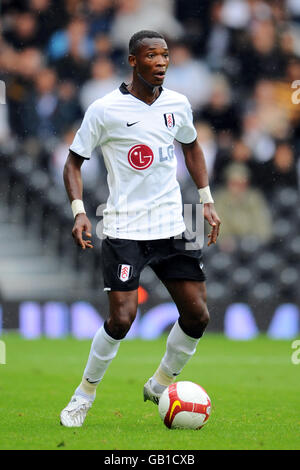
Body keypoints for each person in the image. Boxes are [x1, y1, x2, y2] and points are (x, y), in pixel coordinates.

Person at [60, 30, 221, 427]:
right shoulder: (104, 110)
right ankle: (85, 393)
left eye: (165, 55)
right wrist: (79, 211)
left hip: (172, 225)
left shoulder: (178, 104)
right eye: (152, 56)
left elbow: (192, 146)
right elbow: (73, 163)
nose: (162, 62)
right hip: (125, 228)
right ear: (134, 61)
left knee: (198, 316)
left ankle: (161, 382)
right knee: (121, 320)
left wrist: (206, 198)